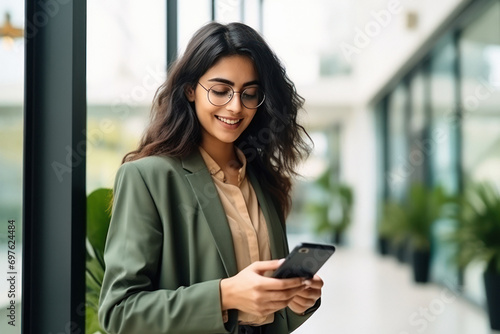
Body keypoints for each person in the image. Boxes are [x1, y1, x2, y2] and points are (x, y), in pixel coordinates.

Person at [98, 22, 323, 334]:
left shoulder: (264, 180)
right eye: (220, 90)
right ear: (191, 90)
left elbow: (272, 314)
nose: (235, 106)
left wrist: (297, 300)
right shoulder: (147, 177)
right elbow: (120, 313)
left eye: (250, 93)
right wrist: (226, 295)